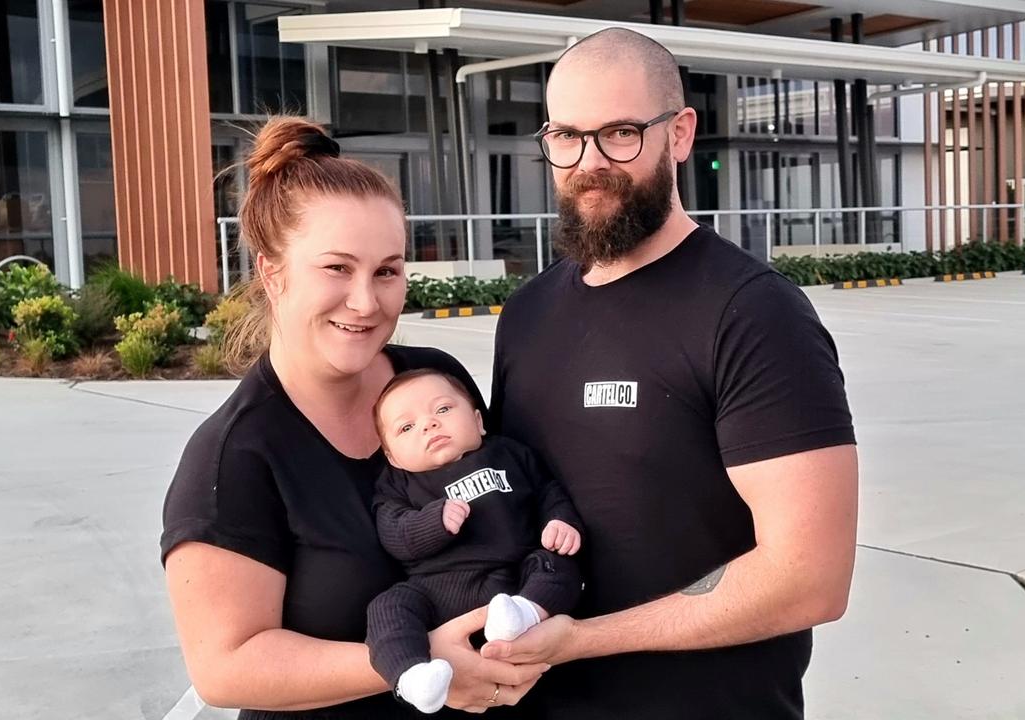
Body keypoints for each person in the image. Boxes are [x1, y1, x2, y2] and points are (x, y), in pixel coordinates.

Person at [482, 28, 860, 719]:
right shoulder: (528, 314)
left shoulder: (754, 314)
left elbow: (811, 578)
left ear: (680, 133)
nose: (589, 162)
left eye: (621, 132)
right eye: (566, 136)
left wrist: (582, 641)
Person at [159, 117, 547, 720]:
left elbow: (512, 489)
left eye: (387, 270)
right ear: (271, 270)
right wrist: (415, 663)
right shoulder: (235, 456)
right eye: (337, 268)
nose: (366, 302)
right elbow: (225, 666)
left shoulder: (430, 381)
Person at [364, 369, 584, 714]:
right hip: (435, 590)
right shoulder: (396, 485)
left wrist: (561, 521)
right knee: (387, 607)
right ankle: (412, 676)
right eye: (406, 427)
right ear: (392, 455)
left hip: (515, 577)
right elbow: (394, 535)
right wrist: (432, 522)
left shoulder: (508, 454)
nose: (428, 425)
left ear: (479, 421)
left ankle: (525, 616)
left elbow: (547, 490)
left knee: (559, 563)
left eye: (443, 410)